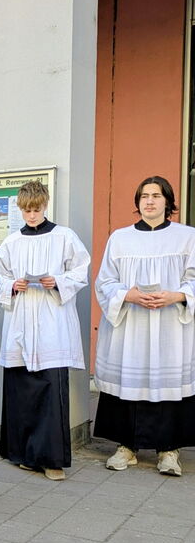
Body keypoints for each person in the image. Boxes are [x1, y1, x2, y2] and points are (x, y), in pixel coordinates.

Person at [93, 175, 195, 476]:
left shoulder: (187, 237)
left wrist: (177, 295)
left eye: (156, 195)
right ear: (138, 202)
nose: (149, 201)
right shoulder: (120, 238)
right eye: (144, 196)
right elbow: (105, 281)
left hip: (170, 326)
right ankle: (126, 447)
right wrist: (129, 295)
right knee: (130, 378)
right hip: (131, 326)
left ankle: (169, 451)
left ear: (168, 201)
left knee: (167, 382)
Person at [0, 181, 90, 480]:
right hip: (21, 320)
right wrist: (12, 285)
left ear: (45, 205)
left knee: (50, 390)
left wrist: (58, 281)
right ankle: (23, 453)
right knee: (22, 389)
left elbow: (81, 270)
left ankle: (51, 460)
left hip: (52, 321)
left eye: (36, 209)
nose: (32, 215)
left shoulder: (64, 236)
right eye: (26, 211)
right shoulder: (12, 242)